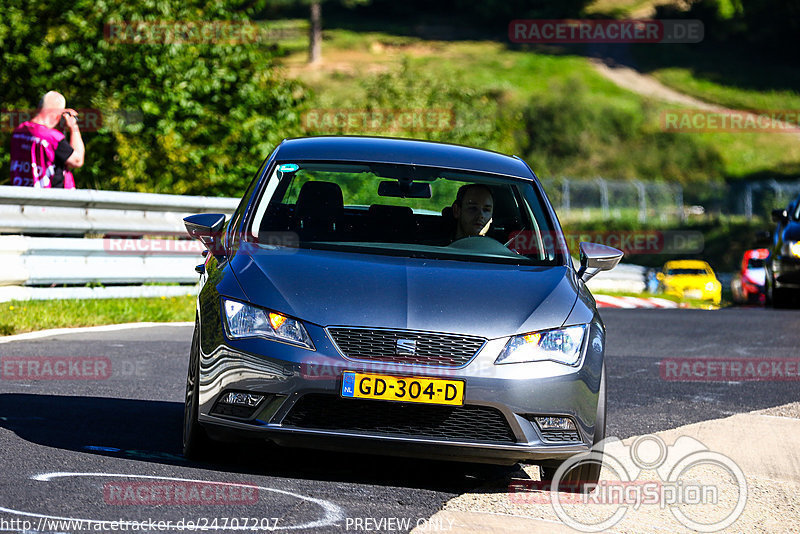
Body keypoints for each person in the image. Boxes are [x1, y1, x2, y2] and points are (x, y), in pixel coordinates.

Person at [9, 91, 84, 188]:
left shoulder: (18, 131)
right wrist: (74, 127)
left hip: (21, 194)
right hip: (49, 197)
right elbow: (77, 161)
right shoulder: (53, 138)